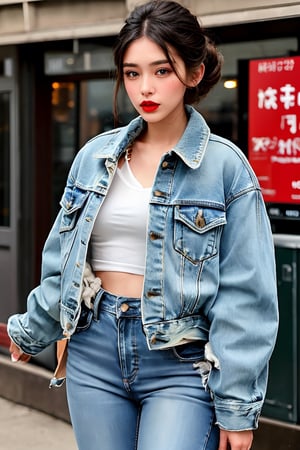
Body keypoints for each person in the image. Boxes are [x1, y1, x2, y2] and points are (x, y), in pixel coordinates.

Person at [8, 1, 278, 449]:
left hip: (181, 360)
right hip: (93, 348)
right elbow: (64, 259)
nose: (145, 87)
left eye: (161, 71)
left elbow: (247, 295)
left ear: (193, 73)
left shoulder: (226, 169)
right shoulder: (94, 157)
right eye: (132, 73)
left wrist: (236, 407)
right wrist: (35, 327)